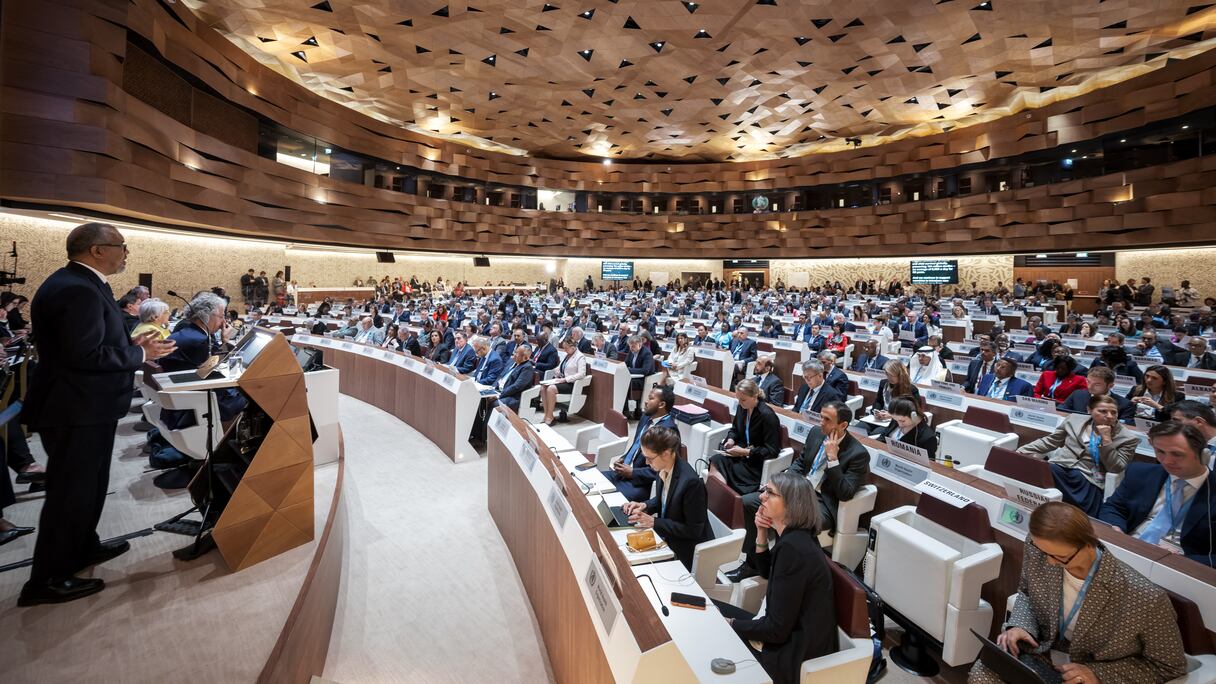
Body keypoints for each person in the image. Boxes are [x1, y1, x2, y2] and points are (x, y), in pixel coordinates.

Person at [20, 223, 176, 606]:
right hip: (76, 407)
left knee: (88, 487)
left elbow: (92, 341)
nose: (126, 254)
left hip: (88, 405)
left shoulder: (83, 284)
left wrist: (129, 342)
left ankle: (82, 548)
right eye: (121, 247)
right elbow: (82, 355)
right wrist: (140, 354)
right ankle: (46, 579)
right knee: (70, 493)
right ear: (96, 250)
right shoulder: (75, 288)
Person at [967, 501, 1186, 684]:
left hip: (1092, 670)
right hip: (1043, 653)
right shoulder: (1040, 549)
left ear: (1089, 544)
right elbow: (1026, 593)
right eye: (1045, 553)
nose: (1050, 563)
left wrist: (1099, 675)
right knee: (983, 675)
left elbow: (1168, 666)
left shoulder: (1145, 598)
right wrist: (1020, 625)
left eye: (1061, 558)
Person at [718, 473, 837, 684]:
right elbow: (766, 571)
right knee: (710, 608)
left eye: (770, 493)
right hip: (780, 630)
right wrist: (761, 532)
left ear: (792, 504)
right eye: (764, 490)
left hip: (790, 652)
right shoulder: (795, 537)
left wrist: (732, 623)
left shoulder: (795, 548)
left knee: (714, 629)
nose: (761, 496)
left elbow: (776, 630)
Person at [1100, 421, 1215, 567]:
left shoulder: (1212, 491)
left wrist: (1184, 559)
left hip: (1179, 566)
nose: (1167, 461)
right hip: (1127, 549)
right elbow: (1114, 507)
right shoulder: (1140, 472)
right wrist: (1116, 527)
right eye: (1160, 451)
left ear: (1203, 455)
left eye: (1177, 454)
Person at [1018, 395, 1138, 516]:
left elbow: (1116, 467)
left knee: (1079, 511)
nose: (1109, 416)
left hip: (1089, 477)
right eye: (1103, 411)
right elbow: (1051, 441)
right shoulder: (1074, 419)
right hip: (1060, 467)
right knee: (1042, 469)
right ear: (1089, 410)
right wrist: (1021, 451)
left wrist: (1107, 441)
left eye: (1114, 412)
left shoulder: (1128, 438)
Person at [620, 426, 710, 570]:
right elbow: (665, 500)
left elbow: (693, 531)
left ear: (666, 453)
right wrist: (645, 505)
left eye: (649, 458)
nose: (647, 463)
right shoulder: (662, 466)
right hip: (668, 535)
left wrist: (654, 522)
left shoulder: (691, 483)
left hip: (685, 549)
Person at [604, 385, 679, 502]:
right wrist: (624, 458)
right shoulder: (646, 417)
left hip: (639, 484)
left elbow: (664, 469)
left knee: (607, 501)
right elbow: (636, 445)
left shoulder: (668, 431)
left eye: (651, 398)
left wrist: (633, 473)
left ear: (662, 404)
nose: (646, 401)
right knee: (592, 481)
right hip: (622, 473)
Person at [710, 379, 781, 496]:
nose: (740, 402)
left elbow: (772, 451)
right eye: (738, 399)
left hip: (755, 462)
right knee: (716, 460)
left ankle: (728, 502)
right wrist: (731, 439)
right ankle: (717, 500)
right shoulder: (742, 408)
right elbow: (735, 430)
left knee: (725, 468)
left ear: (754, 396)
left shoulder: (767, 415)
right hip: (741, 455)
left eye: (743, 400)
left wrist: (746, 452)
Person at [541, 337, 587, 425]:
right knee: (543, 387)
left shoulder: (580, 357)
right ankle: (547, 414)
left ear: (573, 347)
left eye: (566, 348)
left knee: (551, 389)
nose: (564, 350)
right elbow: (561, 367)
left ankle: (550, 415)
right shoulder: (567, 355)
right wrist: (556, 371)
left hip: (571, 383)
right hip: (562, 380)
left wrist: (566, 379)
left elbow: (582, 374)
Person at [874, 396, 938, 455]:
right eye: (896, 420)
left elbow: (929, 463)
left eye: (902, 421)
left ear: (914, 416)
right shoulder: (898, 418)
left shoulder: (928, 438)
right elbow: (883, 437)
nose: (899, 424)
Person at [495, 344, 534, 413]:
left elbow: (516, 387)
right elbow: (501, 375)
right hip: (500, 390)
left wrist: (500, 394)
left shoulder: (527, 368)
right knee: (484, 399)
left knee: (493, 404)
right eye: (515, 352)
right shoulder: (512, 362)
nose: (514, 355)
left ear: (525, 357)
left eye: (517, 354)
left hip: (512, 397)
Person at [624, 335, 655, 417]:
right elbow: (625, 365)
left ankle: (627, 410)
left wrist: (628, 370)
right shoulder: (631, 351)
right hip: (634, 377)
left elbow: (645, 370)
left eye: (633, 346)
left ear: (640, 345)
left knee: (625, 383)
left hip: (645, 380)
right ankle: (624, 409)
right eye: (630, 346)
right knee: (621, 380)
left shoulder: (647, 353)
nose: (631, 348)